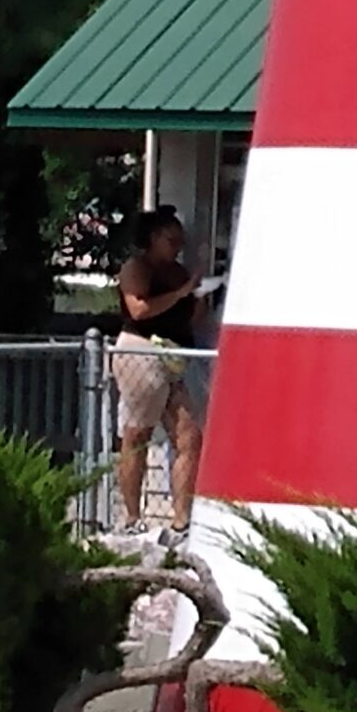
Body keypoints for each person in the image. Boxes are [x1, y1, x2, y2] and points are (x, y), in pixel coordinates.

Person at [112, 206, 205, 539]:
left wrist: (196, 298)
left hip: (172, 357)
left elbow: (189, 319)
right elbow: (139, 308)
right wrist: (179, 293)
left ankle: (181, 520)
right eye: (171, 239)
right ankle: (131, 516)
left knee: (188, 435)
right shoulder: (137, 268)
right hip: (141, 353)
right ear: (152, 239)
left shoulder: (178, 272)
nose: (177, 246)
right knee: (138, 434)